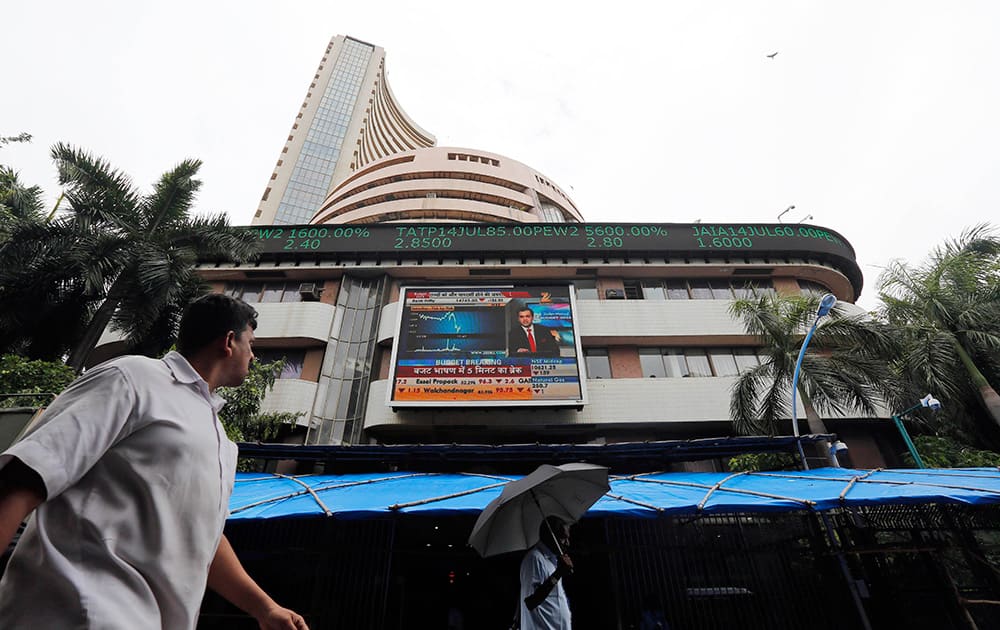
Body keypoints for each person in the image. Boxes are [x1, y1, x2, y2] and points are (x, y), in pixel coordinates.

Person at [0, 293, 309, 629]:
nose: (254, 355)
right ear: (229, 341)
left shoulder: (220, 438)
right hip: (78, 611)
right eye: (251, 343)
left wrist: (265, 609)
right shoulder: (133, 377)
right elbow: (25, 475)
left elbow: (203, 536)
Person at [519, 516, 573, 629]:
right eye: (563, 538)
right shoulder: (534, 559)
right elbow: (530, 602)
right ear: (551, 536)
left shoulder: (553, 560)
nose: (567, 543)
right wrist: (558, 573)